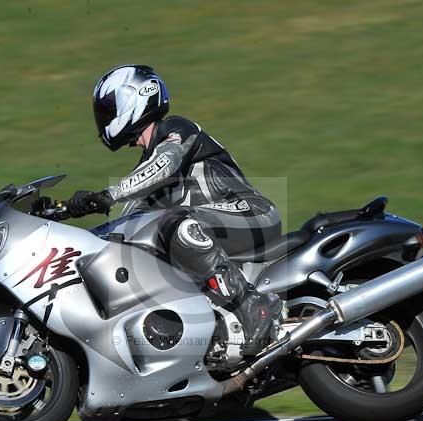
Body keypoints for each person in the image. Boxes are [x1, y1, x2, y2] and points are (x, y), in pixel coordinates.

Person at [67, 64, 282, 355]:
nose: (104, 118)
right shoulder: (143, 172)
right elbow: (124, 227)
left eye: (109, 108)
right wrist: (71, 223)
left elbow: (163, 164)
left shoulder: (177, 130)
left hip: (251, 214)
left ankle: (253, 307)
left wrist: (108, 195)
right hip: (213, 230)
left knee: (176, 224)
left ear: (138, 96)